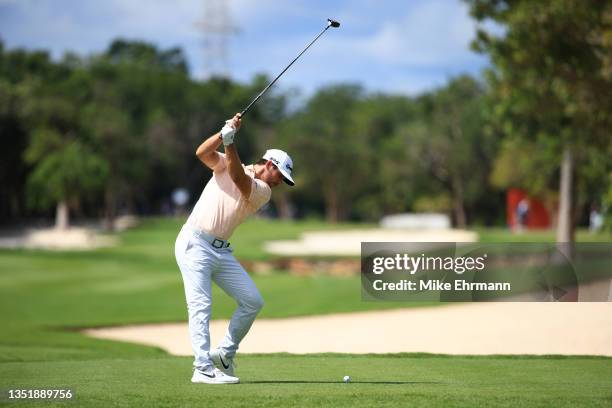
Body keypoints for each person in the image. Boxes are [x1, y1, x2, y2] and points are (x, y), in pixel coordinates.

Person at [174, 113, 294, 384]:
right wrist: (223, 133)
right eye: (281, 175)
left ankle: (225, 354)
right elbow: (201, 152)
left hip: (220, 251)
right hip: (194, 243)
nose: (280, 182)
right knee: (201, 305)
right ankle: (202, 367)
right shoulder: (228, 163)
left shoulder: (263, 191)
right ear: (270, 164)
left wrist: (230, 143)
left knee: (253, 301)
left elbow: (240, 179)